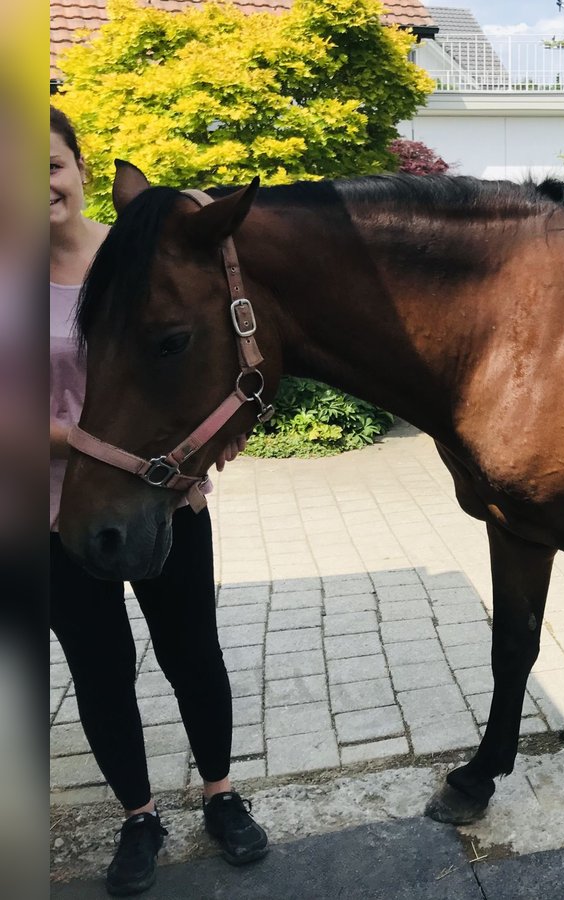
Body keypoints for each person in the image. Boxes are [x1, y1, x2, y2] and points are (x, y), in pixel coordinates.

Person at [50, 106, 268, 896]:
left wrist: (218, 433)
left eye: (50, 163)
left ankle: (221, 792)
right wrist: (85, 444)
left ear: (78, 165)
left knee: (193, 654)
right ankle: (138, 816)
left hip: (164, 499)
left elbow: (191, 357)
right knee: (100, 672)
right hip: (53, 514)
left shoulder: (134, 254)